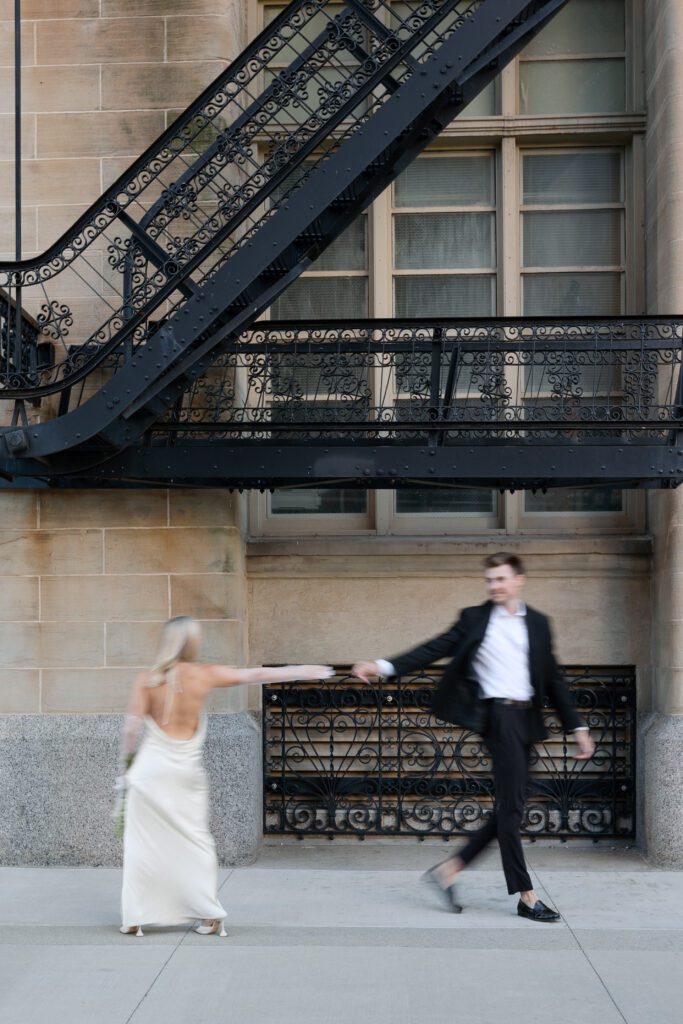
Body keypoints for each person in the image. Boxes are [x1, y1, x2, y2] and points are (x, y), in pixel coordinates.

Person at [352, 552, 594, 923]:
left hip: (526, 718)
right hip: (498, 718)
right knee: (512, 811)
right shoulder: (475, 618)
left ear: (519, 580)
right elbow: (434, 648)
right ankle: (527, 896)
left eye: (500, 579)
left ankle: (450, 870)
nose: (494, 586)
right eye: (489, 580)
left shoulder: (540, 624)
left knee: (508, 810)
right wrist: (383, 666)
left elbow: (554, 678)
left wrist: (577, 727)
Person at [117, 615, 332, 937]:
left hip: (150, 773)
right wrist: (303, 671)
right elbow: (254, 674)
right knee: (196, 840)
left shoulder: (147, 679)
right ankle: (209, 914)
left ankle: (135, 918)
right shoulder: (204, 675)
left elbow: (132, 728)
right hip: (185, 772)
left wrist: (125, 767)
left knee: (143, 844)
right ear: (190, 643)